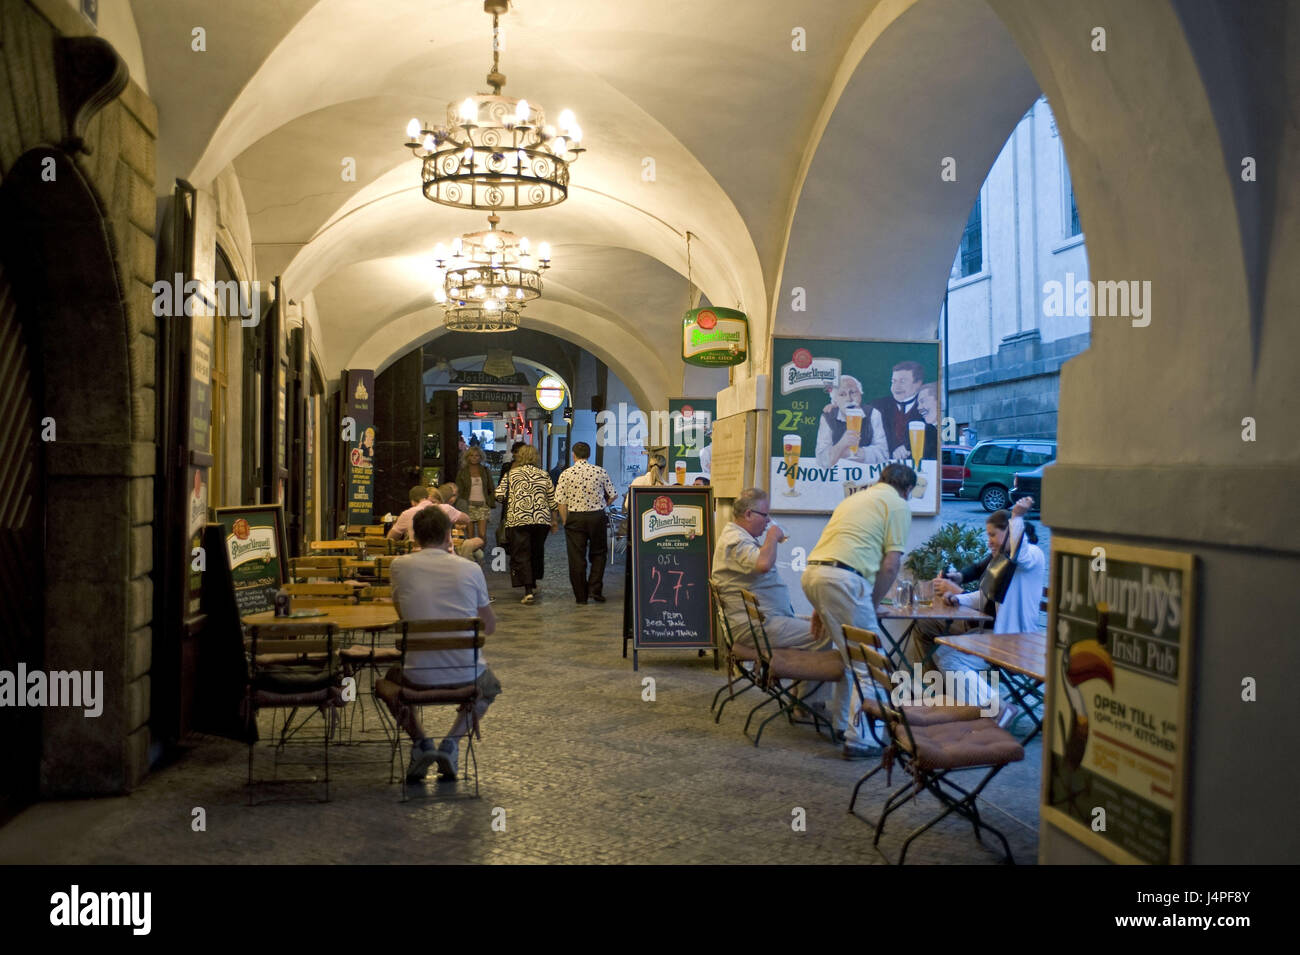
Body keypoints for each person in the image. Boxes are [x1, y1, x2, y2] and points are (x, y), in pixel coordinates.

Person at [801, 462, 916, 759]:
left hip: (815, 574)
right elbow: (891, 565)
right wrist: (873, 605)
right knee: (872, 665)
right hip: (845, 581)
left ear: (881, 479)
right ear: (907, 489)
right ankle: (862, 739)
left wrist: (821, 606)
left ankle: (842, 724)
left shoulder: (854, 499)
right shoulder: (898, 505)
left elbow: (833, 548)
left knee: (851, 659)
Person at [385, 506, 500, 784]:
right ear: (450, 535)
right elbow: (489, 626)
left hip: (415, 676)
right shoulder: (470, 569)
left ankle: (422, 742)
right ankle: (451, 743)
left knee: (387, 685)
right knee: (490, 688)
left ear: (415, 538)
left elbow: (403, 615)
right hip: (466, 674)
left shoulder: (399, 566)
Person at [919, 497, 1046, 723]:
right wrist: (957, 599)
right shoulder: (1003, 559)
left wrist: (1017, 516)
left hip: (1015, 641)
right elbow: (986, 596)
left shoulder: (1032, 555)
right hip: (997, 635)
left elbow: (1021, 553)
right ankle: (976, 711)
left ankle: (997, 709)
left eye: (992, 535)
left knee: (951, 659)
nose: (989, 541)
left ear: (1010, 532)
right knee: (943, 653)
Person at [711, 488, 827, 651]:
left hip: (760, 620)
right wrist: (772, 536)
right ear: (749, 514)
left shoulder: (736, 536)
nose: (768, 521)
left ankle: (797, 671)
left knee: (821, 624)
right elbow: (763, 564)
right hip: (755, 626)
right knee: (824, 632)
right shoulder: (736, 541)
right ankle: (802, 672)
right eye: (765, 515)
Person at [555, 441, 617, 605]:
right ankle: (594, 589)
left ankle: (580, 596)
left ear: (573, 455)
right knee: (599, 553)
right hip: (596, 517)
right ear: (589, 455)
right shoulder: (600, 471)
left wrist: (565, 520)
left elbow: (561, 502)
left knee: (576, 557)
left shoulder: (566, 474)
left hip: (575, 517)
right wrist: (604, 504)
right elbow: (613, 494)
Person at [495, 445, 557, 604]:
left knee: (521, 553)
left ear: (520, 457)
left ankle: (528, 589)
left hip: (518, 519)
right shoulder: (544, 475)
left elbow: (499, 496)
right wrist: (554, 520)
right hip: (541, 521)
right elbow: (552, 500)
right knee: (536, 552)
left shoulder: (511, 475)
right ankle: (533, 582)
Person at [816, 374, 888, 468]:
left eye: (853, 392)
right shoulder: (827, 417)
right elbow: (822, 460)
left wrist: (852, 453)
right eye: (842, 394)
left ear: (860, 394)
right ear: (835, 401)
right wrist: (842, 443)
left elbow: (883, 454)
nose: (849, 399)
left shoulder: (873, 414)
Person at [870, 360, 926, 460]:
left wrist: (908, 447)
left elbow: (932, 438)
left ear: (918, 383)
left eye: (902, 381)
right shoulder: (877, 405)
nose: (896, 387)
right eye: (894, 381)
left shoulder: (929, 408)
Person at [434, 483, 486, 559]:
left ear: (457, 495)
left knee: (480, 553)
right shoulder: (443, 507)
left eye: (454, 495)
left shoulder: (461, 503)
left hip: (459, 538)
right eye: (449, 495)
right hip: (445, 543)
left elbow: (463, 524)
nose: (451, 498)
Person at [456, 446, 495, 544]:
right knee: (470, 535)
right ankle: (473, 556)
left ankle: (481, 554)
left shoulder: (485, 470)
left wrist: (491, 502)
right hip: (468, 506)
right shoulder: (463, 471)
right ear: (468, 457)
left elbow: (491, 487)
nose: (474, 458)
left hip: (482, 505)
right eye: (472, 455)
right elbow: (459, 490)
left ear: (480, 457)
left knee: (482, 534)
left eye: (477, 455)